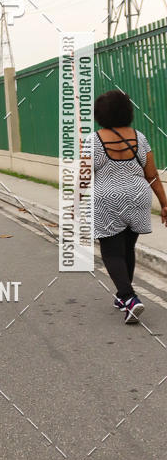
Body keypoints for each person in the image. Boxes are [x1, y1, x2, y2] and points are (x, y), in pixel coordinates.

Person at [91, 90, 167, 323]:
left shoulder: (94, 140)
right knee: (127, 248)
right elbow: (152, 174)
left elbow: (83, 177)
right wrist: (164, 203)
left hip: (107, 199)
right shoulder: (139, 137)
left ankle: (129, 297)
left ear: (99, 114)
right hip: (138, 197)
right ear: (127, 111)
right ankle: (122, 297)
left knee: (111, 252)